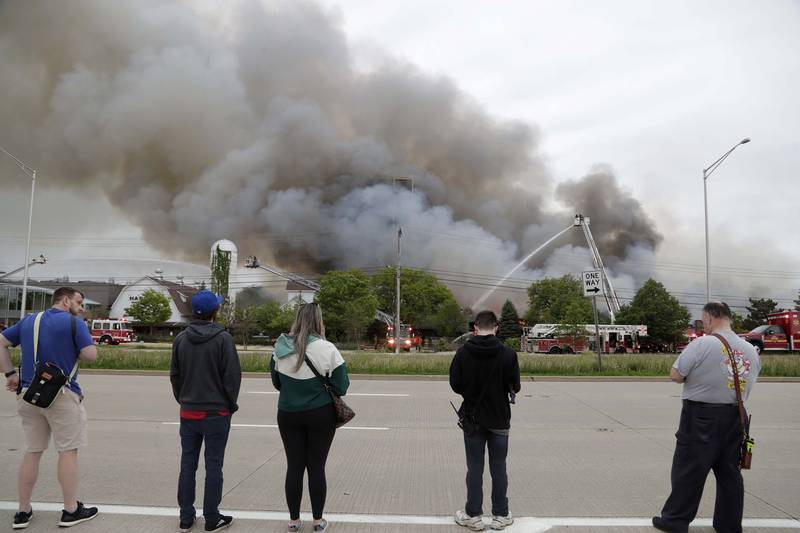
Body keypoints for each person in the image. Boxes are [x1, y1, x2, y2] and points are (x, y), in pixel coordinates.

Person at [653, 302, 761, 533]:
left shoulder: (702, 344)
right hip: (735, 417)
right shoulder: (751, 349)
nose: (703, 326)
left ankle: (675, 521)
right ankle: (729, 525)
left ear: (710, 318)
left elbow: (675, 375)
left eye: (703, 321)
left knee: (689, 469)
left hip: (700, 416)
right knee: (730, 473)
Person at [0, 287, 99, 529]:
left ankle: (23, 512)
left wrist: (11, 374)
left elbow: (1, 343)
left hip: (28, 394)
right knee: (67, 452)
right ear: (66, 301)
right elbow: (90, 355)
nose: (82, 307)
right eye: (79, 302)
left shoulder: (29, 321)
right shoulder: (75, 324)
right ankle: (70, 510)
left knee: (33, 451)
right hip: (62, 395)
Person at [270, 303, 349, 533]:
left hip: (287, 414)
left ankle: (294, 522)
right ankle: (317, 521)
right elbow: (341, 386)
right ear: (318, 321)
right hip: (320, 414)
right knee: (316, 467)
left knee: (294, 466)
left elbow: (277, 383)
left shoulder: (280, 347)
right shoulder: (328, 349)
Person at [170, 290, 241, 533]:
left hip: (189, 411)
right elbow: (232, 378)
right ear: (215, 311)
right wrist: (229, 405)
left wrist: (184, 400)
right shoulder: (223, 339)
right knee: (214, 465)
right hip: (216, 413)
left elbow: (175, 376)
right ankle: (212, 517)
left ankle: (185, 517)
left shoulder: (180, 339)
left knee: (187, 464)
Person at [449, 310, 521, 531]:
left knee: (474, 467)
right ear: (496, 327)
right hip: (500, 419)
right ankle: (500, 515)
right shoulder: (508, 354)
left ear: (475, 328)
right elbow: (515, 386)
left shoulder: (462, 353)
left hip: (473, 419)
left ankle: (474, 516)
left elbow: (455, 384)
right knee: (499, 467)